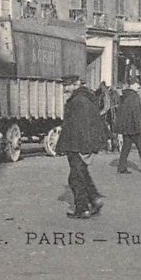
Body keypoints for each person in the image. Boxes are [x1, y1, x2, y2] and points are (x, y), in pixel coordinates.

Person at [54, 75, 108, 219]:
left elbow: (76, 126)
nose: (65, 89)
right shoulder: (87, 98)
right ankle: (95, 199)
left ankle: (82, 208)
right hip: (84, 143)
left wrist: (69, 146)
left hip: (76, 144)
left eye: (67, 85)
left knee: (75, 178)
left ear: (75, 85)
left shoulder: (77, 101)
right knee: (82, 174)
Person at [113, 76, 141, 174]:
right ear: (132, 85)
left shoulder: (124, 96)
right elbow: (136, 113)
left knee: (126, 147)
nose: (139, 86)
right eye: (137, 84)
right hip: (134, 127)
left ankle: (121, 167)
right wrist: (140, 126)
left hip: (126, 127)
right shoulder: (134, 96)